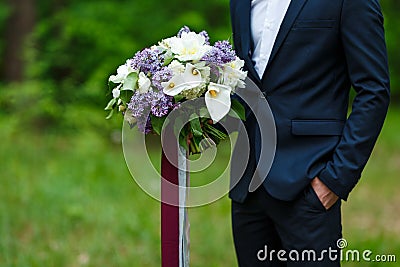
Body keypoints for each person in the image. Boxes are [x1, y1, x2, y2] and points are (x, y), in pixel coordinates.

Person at [229, 0, 390, 266]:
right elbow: (248, 83)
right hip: (249, 183)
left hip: (310, 181)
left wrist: (335, 179)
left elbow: (374, 90)